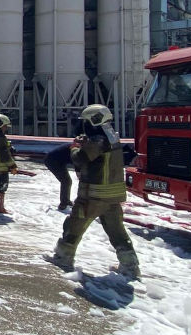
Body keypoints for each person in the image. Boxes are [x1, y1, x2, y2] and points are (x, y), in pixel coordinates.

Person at [48, 104, 140, 278]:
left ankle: (63, 258)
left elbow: (80, 159)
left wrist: (75, 147)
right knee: (117, 232)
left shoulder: (97, 139)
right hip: (113, 196)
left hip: (93, 195)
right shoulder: (112, 137)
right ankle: (130, 267)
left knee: (74, 226)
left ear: (93, 120)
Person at [44, 142, 74, 211]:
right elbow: (78, 166)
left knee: (67, 181)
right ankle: (64, 204)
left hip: (58, 161)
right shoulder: (75, 150)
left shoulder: (75, 146)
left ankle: (66, 201)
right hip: (52, 161)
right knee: (66, 181)